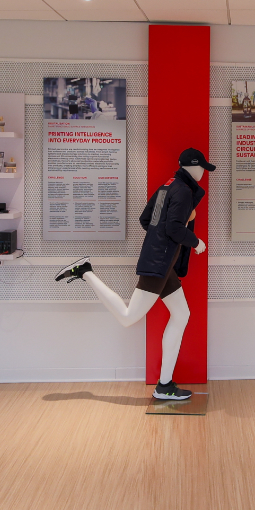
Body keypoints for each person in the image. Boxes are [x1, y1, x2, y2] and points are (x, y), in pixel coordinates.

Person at [53, 147, 216, 403]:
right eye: (201, 168)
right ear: (192, 167)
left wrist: (166, 236)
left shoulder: (168, 186)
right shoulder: (183, 191)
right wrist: (195, 242)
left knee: (182, 314)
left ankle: (164, 385)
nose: (203, 173)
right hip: (159, 264)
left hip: (162, 262)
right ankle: (86, 272)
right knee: (128, 317)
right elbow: (173, 227)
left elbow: (146, 219)